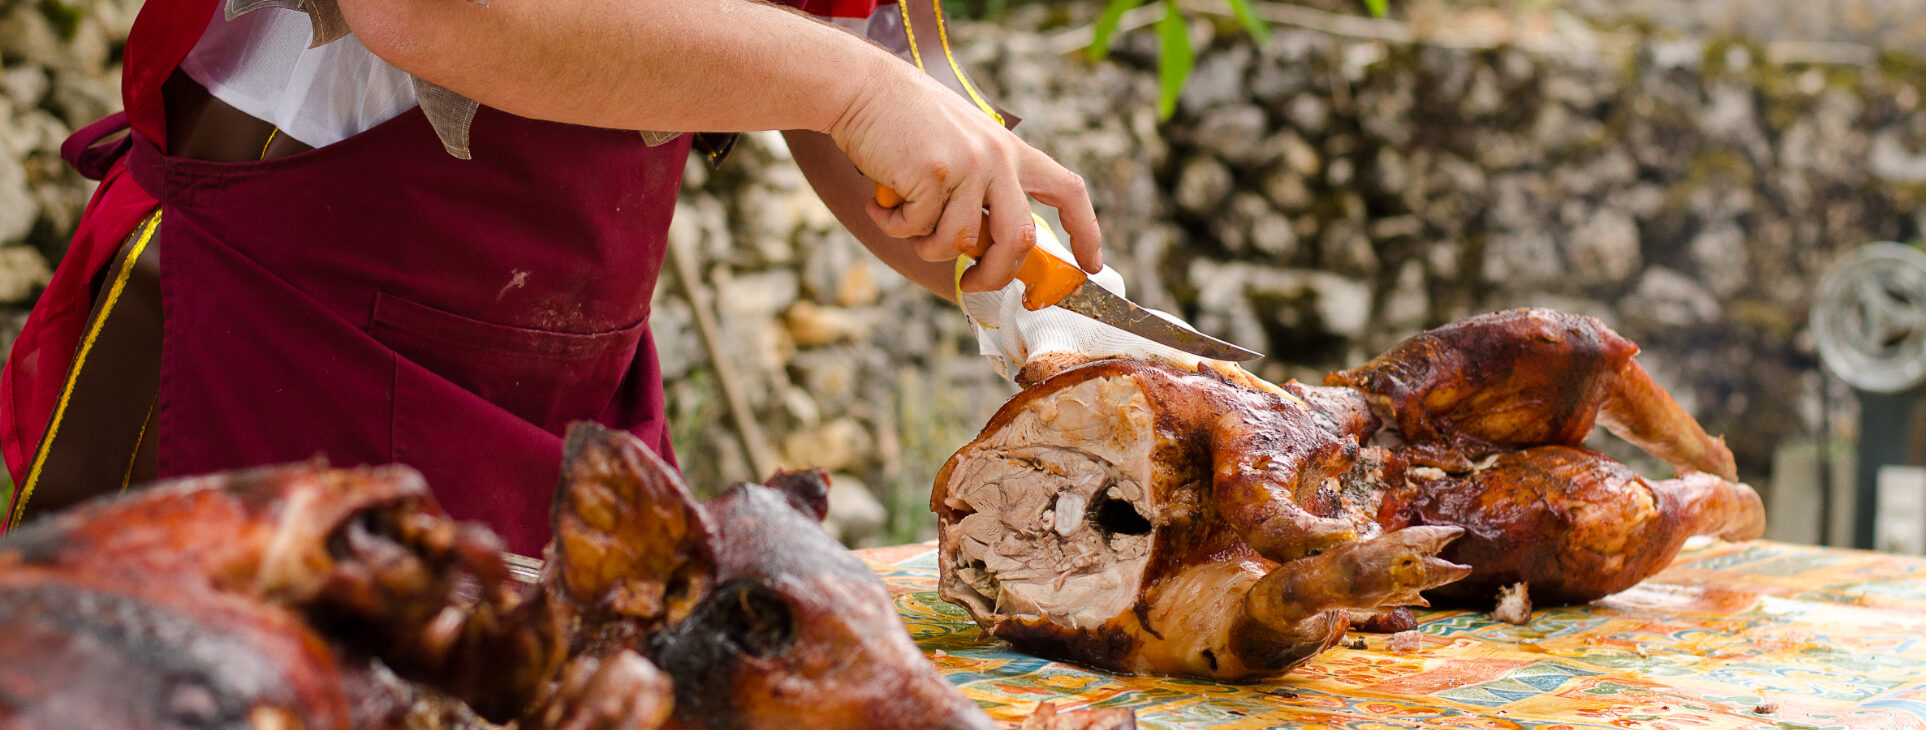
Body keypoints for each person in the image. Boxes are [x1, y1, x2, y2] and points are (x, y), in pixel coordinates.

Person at [0, 0, 1105, 551]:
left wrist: (1056, 302)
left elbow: (861, 55)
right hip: (278, 344)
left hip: (567, 389)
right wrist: (855, 94)